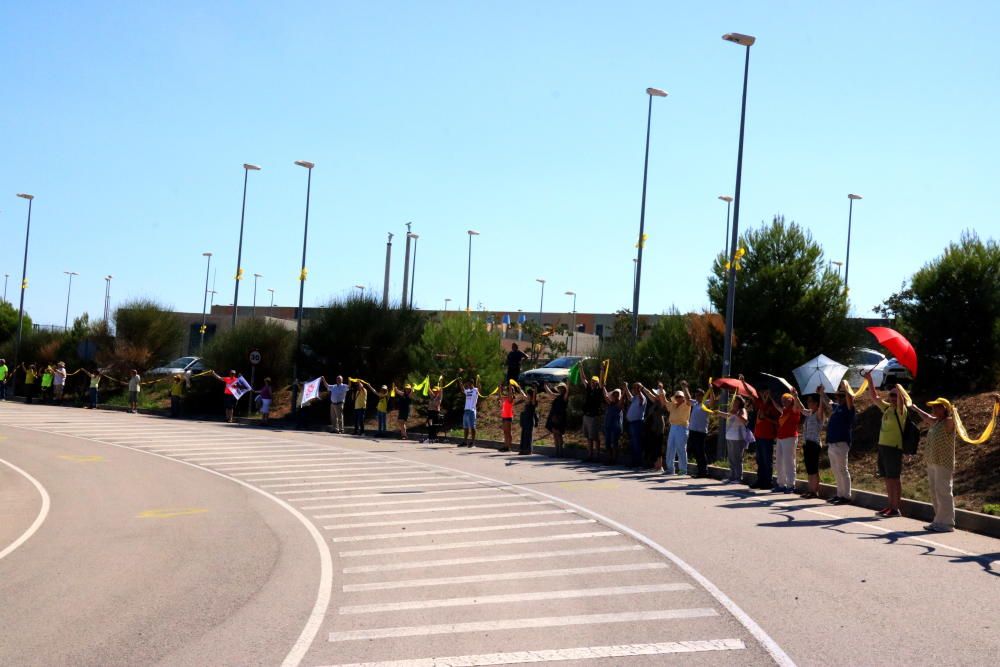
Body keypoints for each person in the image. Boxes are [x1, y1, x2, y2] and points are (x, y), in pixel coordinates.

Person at [911, 398, 958, 532]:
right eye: (934, 407)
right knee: (934, 491)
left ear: (945, 408)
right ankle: (938, 520)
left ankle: (947, 523)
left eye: (938, 407)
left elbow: (954, 419)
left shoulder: (948, 422)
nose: (934, 409)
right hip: (932, 461)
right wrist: (915, 408)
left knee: (943, 491)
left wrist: (953, 411)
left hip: (944, 462)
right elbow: (926, 417)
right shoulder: (936, 422)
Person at [866, 371, 909, 517]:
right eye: (890, 394)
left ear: (901, 397)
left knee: (894, 478)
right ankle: (890, 506)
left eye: (895, 395)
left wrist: (899, 388)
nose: (891, 397)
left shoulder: (901, 411)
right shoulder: (887, 408)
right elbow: (874, 397)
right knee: (887, 478)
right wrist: (870, 380)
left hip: (894, 448)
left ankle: (896, 508)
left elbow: (902, 402)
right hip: (883, 447)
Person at [825, 380, 856, 505]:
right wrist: (821, 393)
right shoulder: (837, 407)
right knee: (836, 470)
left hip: (841, 443)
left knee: (843, 469)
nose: (838, 398)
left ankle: (846, 496)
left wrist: (846, 388)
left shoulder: (849, 409)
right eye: (838, 395)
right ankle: (839, 494)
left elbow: (850, 401)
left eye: (841, 396)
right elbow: (828, 402)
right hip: (832, 443)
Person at [798, 388, 828, 499]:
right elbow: (801, 409)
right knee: (809, 468)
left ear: (816, 403)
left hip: (814, 444)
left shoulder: (819, 415)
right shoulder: (810, 413)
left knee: (814, 468)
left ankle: (815, 491)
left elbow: (822, 407)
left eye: (810, 401)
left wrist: (821, 395)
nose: (808, 403)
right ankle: (810, 490)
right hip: (807, 443)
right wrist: (795, 396)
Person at [751, 389, 781, 490]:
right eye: (763, 393)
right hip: (758, 435)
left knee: (767, 460)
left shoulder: (773, 407)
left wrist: (767, 418)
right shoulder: (760, 404)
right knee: (759, 460)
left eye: (767, 393)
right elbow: (752, 397)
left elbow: (778, 422)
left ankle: (768, 482)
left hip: (767, 436)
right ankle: (760, 480)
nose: (765, 395)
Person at [774, 390, 802, 493]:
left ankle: (791, 485)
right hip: (780, 438)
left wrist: (795, 395)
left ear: (791, 400)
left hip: (790, 438)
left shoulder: (794, 409)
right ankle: (781, 484)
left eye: (787, 400)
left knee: (789, 462)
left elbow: (797, 405)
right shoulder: (784, 411)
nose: (784, 401)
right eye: (783, 400)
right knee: (779, 462)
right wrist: (770, 398)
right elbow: (777, 407)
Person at [720, 395, 749, 483]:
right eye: (734, 401)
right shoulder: (732, 411)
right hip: (730, 437)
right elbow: (728, 416)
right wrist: (719, 413)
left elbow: (745, 421)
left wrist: (736, 414)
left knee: (737, 458)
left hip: (738, 438)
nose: (734, 402)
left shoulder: (742, 410)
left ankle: (738, 477)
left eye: (736, 401)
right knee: (731, 458)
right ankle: (732, 476)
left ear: (740, 402)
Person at [579, 374, 604, 461]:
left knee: (595, 437)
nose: (592, 383)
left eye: (594, 382)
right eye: (592, 381)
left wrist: (602, 370)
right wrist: (581, 367)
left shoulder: (599, 391)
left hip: (594, 416)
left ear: (597, 383)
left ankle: (597, 456)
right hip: (587, 416)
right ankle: (590, 455)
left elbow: (601, 382)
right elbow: (583, 379)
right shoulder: (589, 389)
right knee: (589, 437)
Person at [621, 382, 647, 468]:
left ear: (638, 389)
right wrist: (626, 387)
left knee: (636, 443)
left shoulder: (641, 397)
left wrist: (639, 390)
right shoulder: (635, 397)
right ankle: (634, 462)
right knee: (633, 443)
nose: (633, 389)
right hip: (632, 423)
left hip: (637, 423)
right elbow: (629, 397)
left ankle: (637, 463)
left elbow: (641, 401)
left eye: (635, 388)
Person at [688, 388, 711, 478]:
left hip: (700, 432)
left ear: (703, 395)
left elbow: (713, 400)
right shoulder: (695, 403)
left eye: (699, 395)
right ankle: (700, 471)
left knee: (700, 451)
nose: (697, 397)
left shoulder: (706, 403)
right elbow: (687, 399)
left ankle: (704, 471)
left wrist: (711, 389)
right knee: (696, 451)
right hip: (693, 431)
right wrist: (685, 388)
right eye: (696, 395)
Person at [543, 382, 569, 457]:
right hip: (554, 417)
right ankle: (557, 451)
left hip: (560, 418)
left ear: (564, 389)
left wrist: (568, 384)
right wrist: (545, 386)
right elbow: (550, 393)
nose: (560, 389)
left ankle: (561, 452)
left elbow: (567, 391)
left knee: (559, 434)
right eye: (559, 388)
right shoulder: (557, 396)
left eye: (561, 388)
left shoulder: (565, 397)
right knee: (555, 434)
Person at [602, 385, 625, 465]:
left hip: (615, 427)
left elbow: (621, 400)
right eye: (614, 394)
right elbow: (605, 396)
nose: (615, 395)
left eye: (617, 394)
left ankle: (614, 460)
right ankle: (610, 458)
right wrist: (604, 386)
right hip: (608, 426)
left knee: (614, 443)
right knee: (608, 443)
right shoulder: (611, 403)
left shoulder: (620, 404)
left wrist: (624, 390)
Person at [460, 377, 481, 447]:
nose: (467, 384)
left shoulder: (475, 390)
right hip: (466, 410)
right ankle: (465, 442)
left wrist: (478, 380)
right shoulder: (467, 390)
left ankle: (473, 442)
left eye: (468, 383)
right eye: (466, 383)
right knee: (465, 427)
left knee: (472, 427)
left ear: (471, 383)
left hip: (472, 410)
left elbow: (479, 387)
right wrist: (460, 383)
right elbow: (463, 390)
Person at [518, 386, 538, 455]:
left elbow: (534, 398)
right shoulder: (527, 401)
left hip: (530, 420)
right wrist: (519, 388)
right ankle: (523, 449)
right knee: (523, 435)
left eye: (528, 395)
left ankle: (528, 450)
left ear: (531, 396)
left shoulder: (533, 402)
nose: (527, 396)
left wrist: (535, 390)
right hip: (525, 420)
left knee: (528, 435)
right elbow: (522, 394)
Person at [498, 384, 516, 452]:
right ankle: (505, 446)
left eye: (508, 391)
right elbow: (500, 396)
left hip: (508, 417)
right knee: (505, 432)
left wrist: (510, 388)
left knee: (508, 432)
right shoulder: (505, 399)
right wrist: (499, 388)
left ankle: (509, 447)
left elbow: (510, 395)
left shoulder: (510, 399)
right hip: (504, 416)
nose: (506, 392)